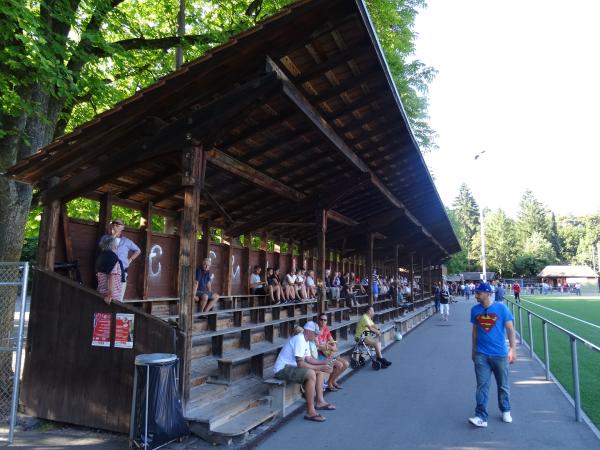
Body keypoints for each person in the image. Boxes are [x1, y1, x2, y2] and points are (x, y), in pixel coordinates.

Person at [469, 282, 517, 428]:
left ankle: (506, 410)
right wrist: (473, 350)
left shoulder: (501, 308)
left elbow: (510, 329)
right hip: (481, 354)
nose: (475, 296)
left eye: (478, 293)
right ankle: (481, 416)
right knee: (482, 386)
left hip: (500, 354)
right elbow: (475, 331)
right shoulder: (474, 310)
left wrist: (513, 349)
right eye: (475, 293)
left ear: (488, 294)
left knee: (503, 385)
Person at [273, 321, 336, 422]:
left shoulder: (306, 340)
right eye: (315, 333)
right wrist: (320, 367)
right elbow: (301, 364)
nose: (316, 335)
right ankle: (310, 412)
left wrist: (323, 362)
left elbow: (309, 359)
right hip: (282, 369)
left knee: (318, 372)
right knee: (311, 373)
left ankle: (320, 402)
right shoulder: (299, 339)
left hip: (291, 367)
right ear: (308, 331)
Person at [104, 218, 140, 301]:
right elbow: (104, 248)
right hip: (107, 273)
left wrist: (130, 259)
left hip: (122, 272)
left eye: (118, 223)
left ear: (123, 227)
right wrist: (115, 234)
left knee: (118, 299)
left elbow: (138, 250)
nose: (115, 224)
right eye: (114, 223)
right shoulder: (106, 239)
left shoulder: (127, 241)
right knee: (106, 297)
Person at [316, 314, 349, 390]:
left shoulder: (326, 329)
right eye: (321, 319)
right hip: (320, 358)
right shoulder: (315, 331)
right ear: (318, 320)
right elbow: (318, 347)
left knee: (346, 364)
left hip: (327, 355)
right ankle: (329, 383)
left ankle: (333, 381)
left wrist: (333, 347)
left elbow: (333, 343)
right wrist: (330, 347)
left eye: (325, 320)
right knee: (339, 365)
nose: (323, 322)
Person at [95, 235, 123, 304]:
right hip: (111, 298)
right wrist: (110, 295)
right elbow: (111, 277)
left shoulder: (101, 256)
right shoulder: (112, 258)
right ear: (114, 245)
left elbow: (99, 275)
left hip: (101, 293)